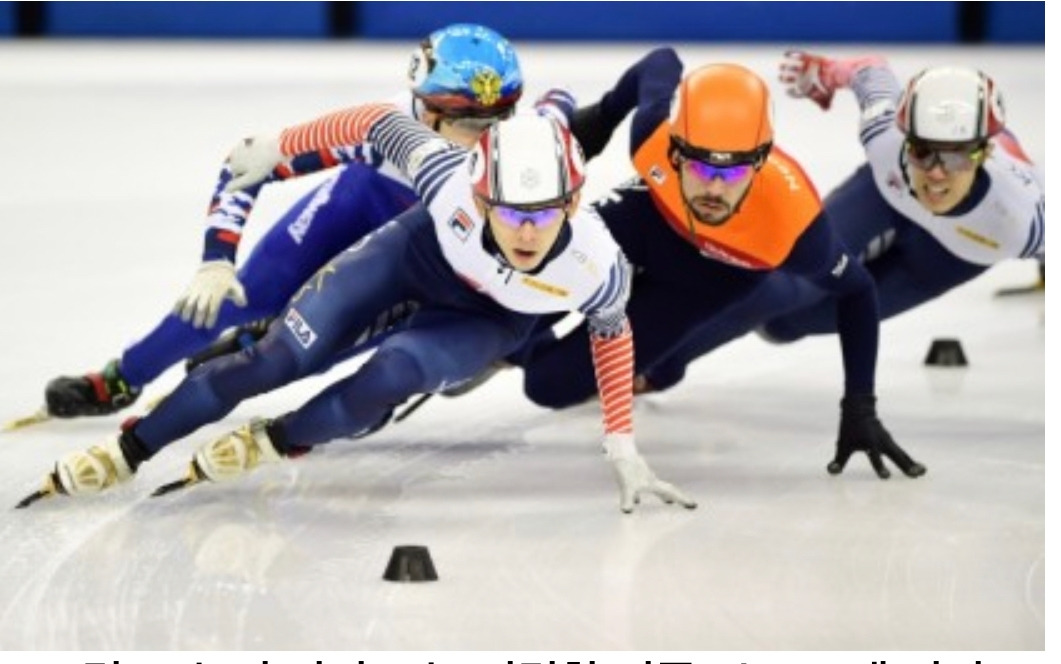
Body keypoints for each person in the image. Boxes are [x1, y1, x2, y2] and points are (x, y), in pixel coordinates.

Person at [21, 110, 696, 515]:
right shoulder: (444, 174)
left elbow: (612, 334)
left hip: (485, 321)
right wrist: (283, 145)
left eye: (543, 214)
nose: (525, 231)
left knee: (393, 373)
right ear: (477, 195)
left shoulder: (596, 263)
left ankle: (279, 439)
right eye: (507, 210)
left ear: (573, 205)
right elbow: (375, 122)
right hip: (414, 256)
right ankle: (129, 449)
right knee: (274, 357)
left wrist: (621, 443)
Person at [32, 23, 530, 422]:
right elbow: (248, 164)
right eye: (467, 120)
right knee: (240, 297)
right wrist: (216, 260)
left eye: (499, 117)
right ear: (423, 106)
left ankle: (259, 347)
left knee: (318, 350)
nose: (484, 136)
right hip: (361, 205)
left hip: (423, 253)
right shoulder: (380, 128)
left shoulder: (526, 152)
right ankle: (124, 376)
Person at [509, 48, 926, 480]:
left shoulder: (793, 225)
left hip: (707, 280)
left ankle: (552, 347)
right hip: (643, 223)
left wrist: (860, 406)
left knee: (547, 386)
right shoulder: (652, 137)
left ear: (760, 161)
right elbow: (661, 61)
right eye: (698, 166)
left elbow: (857, 289)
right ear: (674, 153)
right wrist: (605, 116)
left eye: (732, 173)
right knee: (511, 302)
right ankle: (513, 334)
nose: (712, 188)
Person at [634, 52, 1045, 390]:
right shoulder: (884, 133)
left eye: (955, 157)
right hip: (885, 196)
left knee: (787, 324)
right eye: (922, 152)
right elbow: (870, 68)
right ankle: (651, 363)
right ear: (905, 138)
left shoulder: (1022, 217)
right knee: (782, 285)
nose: (937, 174)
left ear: (984, 154)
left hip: (951, 254)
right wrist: (824, 74)